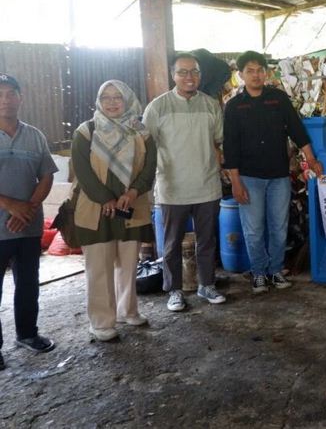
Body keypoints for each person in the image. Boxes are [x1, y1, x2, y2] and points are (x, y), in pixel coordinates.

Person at [223, 51, 323, 293]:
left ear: (266, 73)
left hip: (278, 176)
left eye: (260, 70)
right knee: (254, 229)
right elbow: (230, 146)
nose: (256, 75)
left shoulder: (278, 99)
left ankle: (276, 270)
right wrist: (235, 182)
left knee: (279, 227)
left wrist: (311, 159)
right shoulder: (234, 106)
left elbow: (297, 130)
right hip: (249, 177)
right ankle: (259, 273)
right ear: (241, 75)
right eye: (250, 71)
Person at [71, 80, 157, 341]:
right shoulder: (86, 132)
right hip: (96, 209)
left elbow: (149, 168)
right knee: (99, 267)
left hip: (131, 206)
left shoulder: (141, 132)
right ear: (98, 101)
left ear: (127, 100)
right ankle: (101, 322)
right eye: (105, 97)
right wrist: (105, 198)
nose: (111, 102)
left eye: (117, 97)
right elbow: (82, 171)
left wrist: (133, 193)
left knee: (128, 263)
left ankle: (127, 311)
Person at [143, 53, 226, 312]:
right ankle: (174, 291)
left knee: (207, 240)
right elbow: (145, 146)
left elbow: (218, 142)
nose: (189, 77)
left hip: (206, 185)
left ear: (200, 75)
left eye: (194, 71)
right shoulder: (158, 107)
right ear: (173, 75)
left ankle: (207, 285)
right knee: (171, 244)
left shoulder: (210, 105)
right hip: (172, 187)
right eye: (183, 72)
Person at [0, 73, 57, 369]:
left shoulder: (35, 135)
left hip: (29, 226)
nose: (5, 100)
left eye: (11, 93)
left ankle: (27, 334)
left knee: (28, 283)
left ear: (20, 98)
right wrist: (11, 205)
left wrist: (29, 209)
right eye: (0, 94)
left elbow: (46, 175)